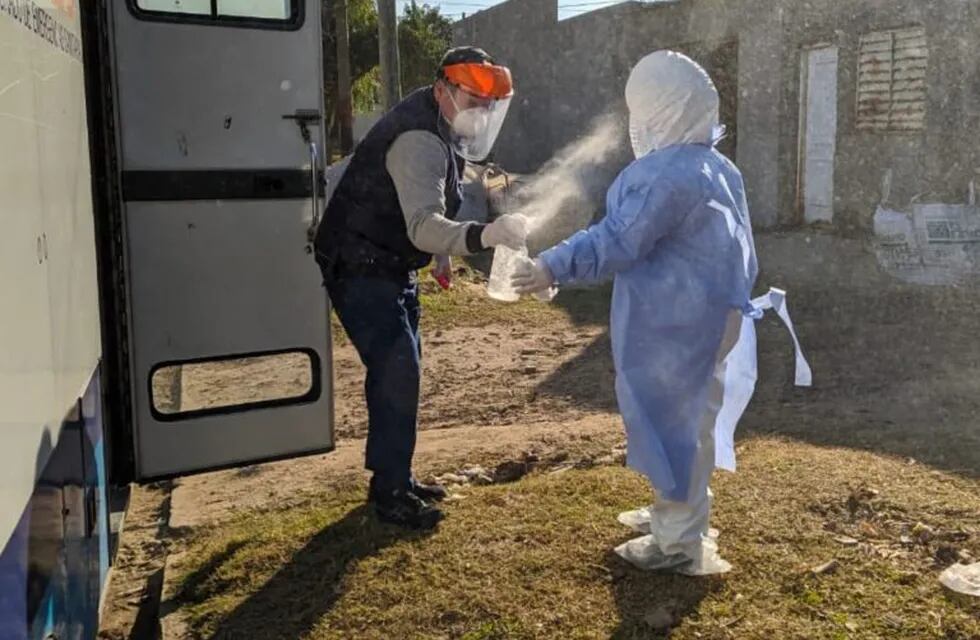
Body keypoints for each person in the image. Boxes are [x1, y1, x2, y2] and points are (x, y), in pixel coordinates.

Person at [512, 50, 810, 573]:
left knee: (677, 426)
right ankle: (673, 513)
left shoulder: (664, 174)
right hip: (712, 319)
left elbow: (618, 240)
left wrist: (552, 267)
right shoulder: (719, 167)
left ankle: (678, 540)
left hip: (678, 326)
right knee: (685, 420)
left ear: (658, 112)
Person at [314, 46, 526, 529]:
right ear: (442, 90)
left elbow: (431, 208)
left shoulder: (440, 127)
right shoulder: (419, 140)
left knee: (401, 371)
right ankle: (390, 492)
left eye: (487, 105)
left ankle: (396, 477)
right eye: (473, 100)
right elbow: (422, 223)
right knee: (397, 371)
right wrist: (482, 236)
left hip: (387, 261)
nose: (481, 113)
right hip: (359, 260)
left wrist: (441, 256)